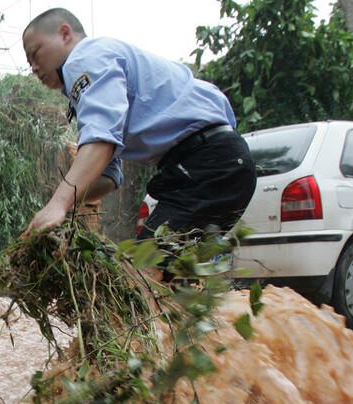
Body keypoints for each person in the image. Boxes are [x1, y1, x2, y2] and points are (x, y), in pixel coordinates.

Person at [21, 8, 255, 241]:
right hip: (218, 163)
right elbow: (108, 177)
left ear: (65, 34)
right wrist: (62, 201)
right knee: (159, 269)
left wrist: (59, 202)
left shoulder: (84, 58)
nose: (33, 67)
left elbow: (101, 141)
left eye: (35, 53)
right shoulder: (97, 77)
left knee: (144, 269)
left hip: (207, 164)